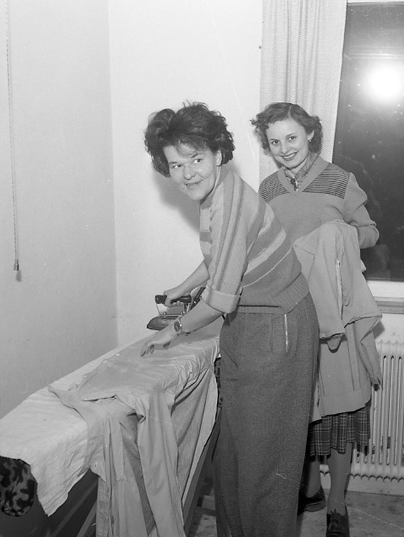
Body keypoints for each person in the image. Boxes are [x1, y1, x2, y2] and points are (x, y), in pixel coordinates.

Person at [141, 102, 319, 537]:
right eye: (176, 165)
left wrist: (174, 330)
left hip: (278, 325)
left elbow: (220, 301)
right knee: (233, 456)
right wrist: (183, 287)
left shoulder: (230, 202)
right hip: (248, 324)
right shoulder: (213, 194)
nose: (187, 174)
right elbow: (220, 258)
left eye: (196, 160)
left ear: (218, 154)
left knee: (264, 466)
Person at [252, 102, 380, 537]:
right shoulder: (268, 188)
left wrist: (337, 236)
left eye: (292, 137)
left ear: (309, 134)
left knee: (341, 408)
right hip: (291, 309)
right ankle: (310, 490)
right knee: (300, 407)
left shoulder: (339, 179)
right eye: (274, 141)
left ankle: (337, 506)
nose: (284, 148)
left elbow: (370, 231)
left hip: (337, 313)